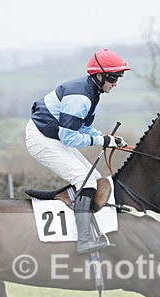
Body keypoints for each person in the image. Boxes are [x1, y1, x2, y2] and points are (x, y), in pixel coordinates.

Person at [25, 48, 130, 254]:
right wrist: (102, 140)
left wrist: (108, 140)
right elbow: (69, 138)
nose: (116, 83)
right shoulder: (81, 97)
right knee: (86, 179)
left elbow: (84, 129)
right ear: (99, 76)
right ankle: (84, 241)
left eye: (119, 77)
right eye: (113, 77)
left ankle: (69, 203)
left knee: (96, 178)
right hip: (42, 138)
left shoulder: (92, 92)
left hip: (53, 135)